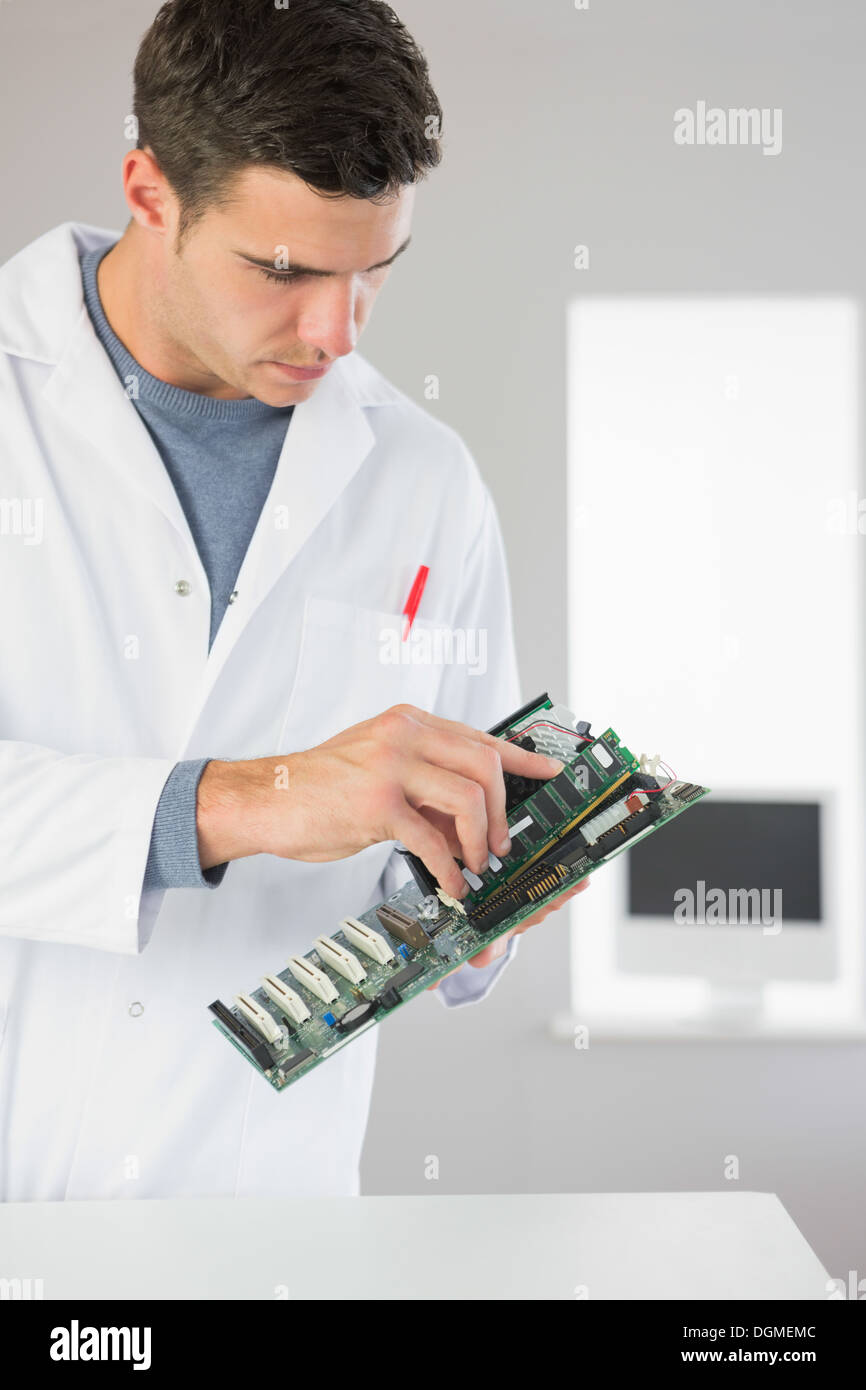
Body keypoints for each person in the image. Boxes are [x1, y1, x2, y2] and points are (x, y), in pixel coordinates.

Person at [0, 0, 586, 1201]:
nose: (335, 330)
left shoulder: (423, 480)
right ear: (149, 190)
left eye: (374, 271)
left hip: (267, 1224)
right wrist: (246, 800)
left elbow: (414, 910)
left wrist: (474, 887)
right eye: (283, 271)